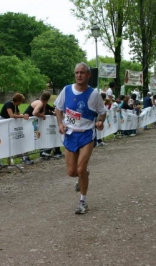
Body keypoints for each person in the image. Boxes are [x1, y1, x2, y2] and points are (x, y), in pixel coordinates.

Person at [54, 62, 106, 214]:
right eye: (77, 73)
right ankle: (83, 175)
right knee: (72, 172)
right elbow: (58, 108)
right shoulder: (67, 90)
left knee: (81, 168)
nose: (79, 75)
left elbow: (102, 112)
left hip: (86, 134)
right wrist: (60, 123)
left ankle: (83, 202)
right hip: (70, 134)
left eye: (82, 73)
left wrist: (100, 121)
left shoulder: (94, 94)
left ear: (88, 75)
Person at [0, 93, 32, 170]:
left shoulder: (15, 106)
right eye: (21, 101)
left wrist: (24, 115)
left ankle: (2, 162)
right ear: (17, 100)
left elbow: (18, 114)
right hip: (0, 125)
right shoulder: (8, 104)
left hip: (5, 125)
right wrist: (23, 116)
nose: (21, 103)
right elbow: (12, 115)